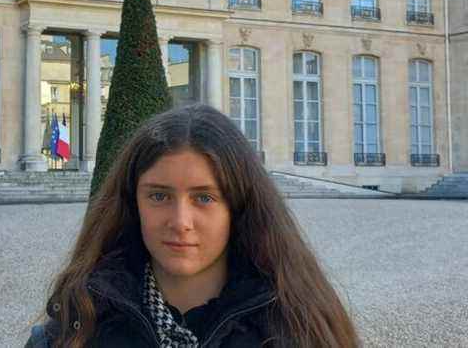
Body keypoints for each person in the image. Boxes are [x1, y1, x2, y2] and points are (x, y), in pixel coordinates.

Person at [26, 104, 359, 347]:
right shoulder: (74, 331)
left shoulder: (297, 332)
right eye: (159, 196)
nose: (180, 223)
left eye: (204, 198)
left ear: (239, 207)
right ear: (133, 203)